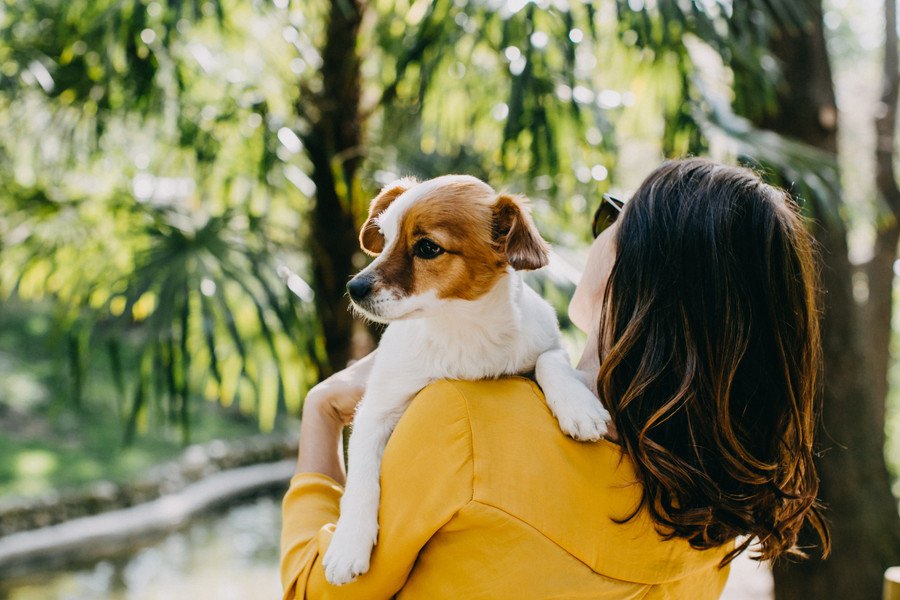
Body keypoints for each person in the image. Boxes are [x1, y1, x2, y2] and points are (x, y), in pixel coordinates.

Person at [280, 158, 830, 599]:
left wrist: (323, 410)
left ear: (635, 272)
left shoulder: (462, 422)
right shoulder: (720, 503)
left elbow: (316, 591)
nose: (599, 231)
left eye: (611, 216)